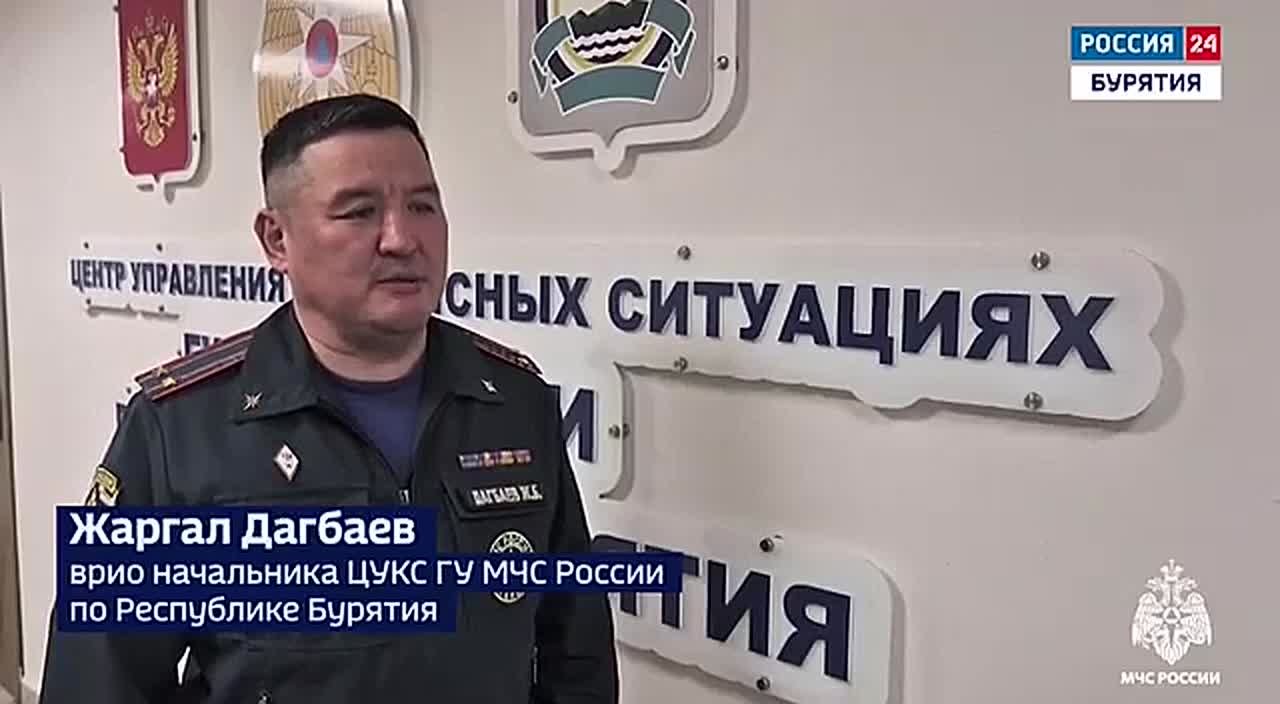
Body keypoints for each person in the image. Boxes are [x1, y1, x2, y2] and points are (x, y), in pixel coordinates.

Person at [39, 93, 619, 703]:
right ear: (277, 240)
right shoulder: (179, 429)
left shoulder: (515, 401)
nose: (401, 239)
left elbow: (574, 652)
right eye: (359, 212)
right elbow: (97, 679)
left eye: (422, 206)